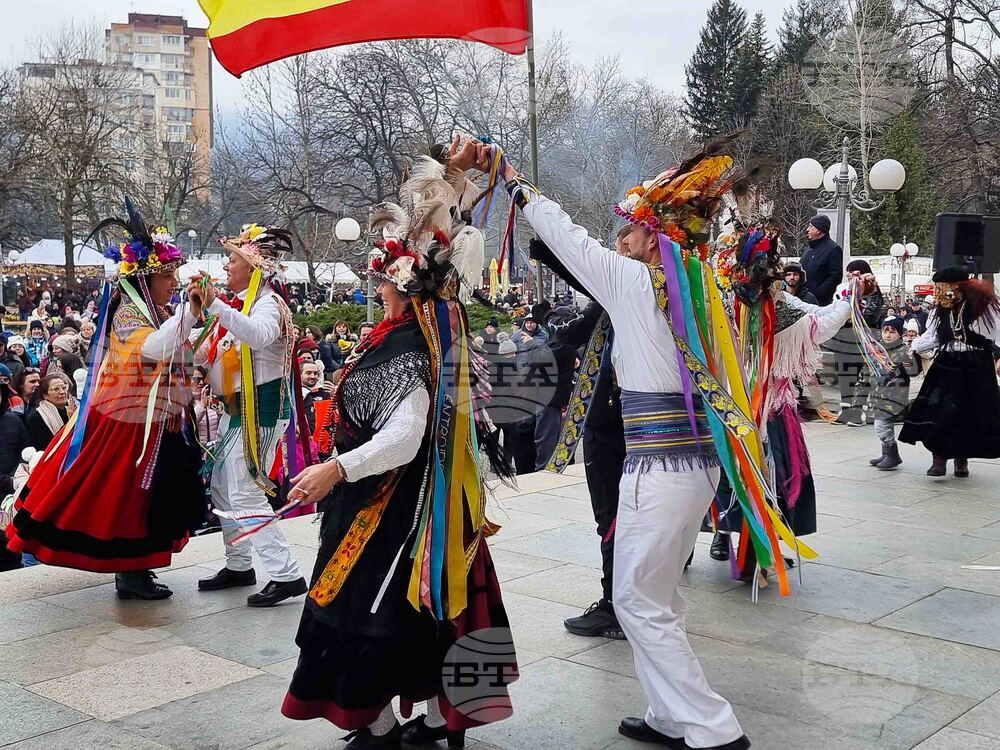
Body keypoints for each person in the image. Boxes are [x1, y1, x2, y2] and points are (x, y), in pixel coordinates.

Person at [457, 136, 766, 749]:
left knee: (634, 599)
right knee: (660, 595)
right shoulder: (701, 286)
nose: (620, 240)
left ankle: (712, 725)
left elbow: (567, 237)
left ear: (654, 235)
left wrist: (510, 177)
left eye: (629, 230)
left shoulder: (637, 283)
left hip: (661, 462)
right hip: (692, 461)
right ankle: (668, 715)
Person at [281, 153, 516, 750]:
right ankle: (416, 721)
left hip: (396, 505)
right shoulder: (397, 338)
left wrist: (336, 469)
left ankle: (408, 723)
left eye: (382, 277)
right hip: (385, 501)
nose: (375, 283)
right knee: (405, 617)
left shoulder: (409, 347)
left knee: (375, 614)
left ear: (400, 287)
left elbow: (405, 436)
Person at [6, 201, 203, 599]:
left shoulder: (155, 310)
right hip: (126, 423)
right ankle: (128, 571)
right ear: (146, 280)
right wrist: (190, 313)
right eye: (167, 275)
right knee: (125, 493)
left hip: (149, 418)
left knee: (146, 493)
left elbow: (173, 347)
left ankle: (139, 565)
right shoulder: (130, 314)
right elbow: (154, 349)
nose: (173, 282)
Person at [191, 224, 308, 608]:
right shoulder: (247, 303)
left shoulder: (268, 303)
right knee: (225, 490)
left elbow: (258, 337)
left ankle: (286, 573)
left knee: (243, 492)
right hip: (237, 413)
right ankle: (239, 564)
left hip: (260, 414)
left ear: (254, 268)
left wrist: (214, 305)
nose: (226, 265)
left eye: (233, 259)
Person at [530, 236, 627, 640]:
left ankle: (617, 606)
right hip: (627, 416)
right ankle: (627, 600)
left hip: (613, 418)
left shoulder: (634, 285)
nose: (619, 252)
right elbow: (575, 332)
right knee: (625, 515)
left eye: (627, 242)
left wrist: (552, 252)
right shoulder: (649, 287)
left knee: (613, 515)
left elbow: (589, 289)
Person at [899, 266, 1000, 477]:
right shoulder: (940, 309)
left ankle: (961, 459)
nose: (937, 291)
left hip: (976, 364)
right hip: (948, 362)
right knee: (939, 409)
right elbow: (933, 336)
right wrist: (911, 348)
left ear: (955, 285)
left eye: (941, 286)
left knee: (969, 412)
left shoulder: (984, 307)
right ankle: (939, 458)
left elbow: (994, 334)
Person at [828, 259, 885, 425]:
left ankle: (858, 411)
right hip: (843, 338)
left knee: (860, 375)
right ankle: (845, 410)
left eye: (855, 272)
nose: (850, 275)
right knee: (844, 374)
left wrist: (849, 317)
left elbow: (871, 315)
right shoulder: (842, 291)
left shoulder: (872, 290)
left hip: (862, 338)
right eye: (849, 272)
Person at [868, 317, 912, 471]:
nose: (888, 335)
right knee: (883, 425)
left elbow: (912, 369)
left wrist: (905, 362)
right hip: (879, 394)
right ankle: (886, 453)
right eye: (885, 331)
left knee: (881, 425)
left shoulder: (902, 350)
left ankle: (893, 454)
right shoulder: (878, 350)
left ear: (900, 333)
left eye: (893, 332)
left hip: (894, 396)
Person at [798, 214, 843, 306]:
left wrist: (818, 293)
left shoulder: (833, 249)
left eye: (811, 227)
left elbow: (835, 276)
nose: (807, 230)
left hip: (819, 302)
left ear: (819, 230)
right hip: (802, 298)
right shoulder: (808, 249)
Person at [24, 374, 72, 451]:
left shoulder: (73, 409)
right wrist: (71, 421)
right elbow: (46, 446)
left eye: (64, 387)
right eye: (56, 389)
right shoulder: (37, 416)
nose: (62, 392)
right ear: (45, 395)